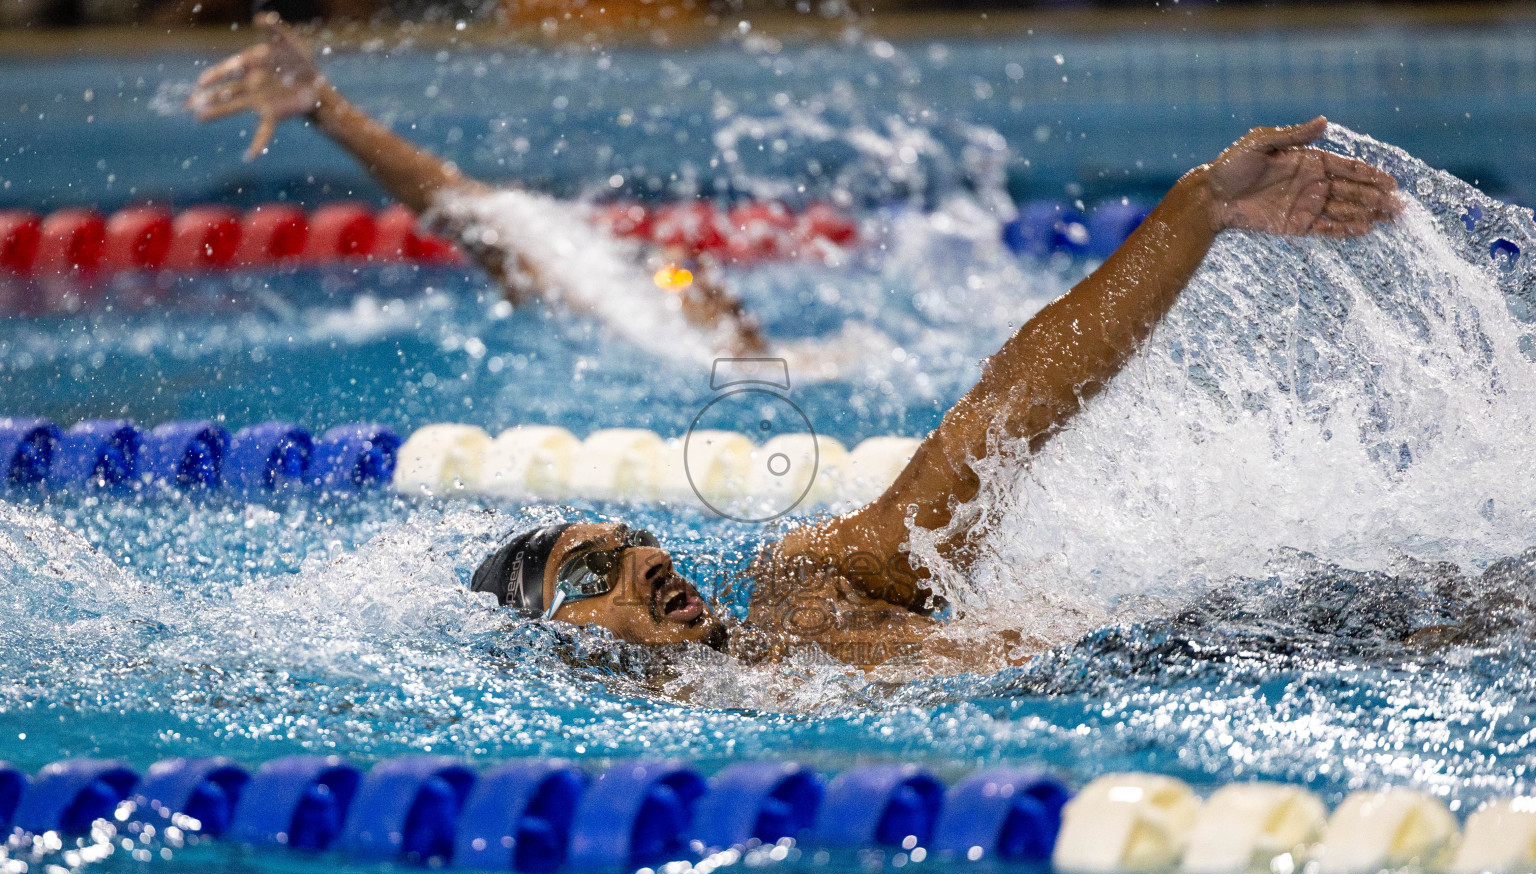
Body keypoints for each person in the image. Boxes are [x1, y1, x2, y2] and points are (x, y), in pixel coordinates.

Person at [188, 23, 1401, 673]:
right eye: (591, 572)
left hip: (1256, 642)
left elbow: (1003, 418)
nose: (637, 558)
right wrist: (331, 112)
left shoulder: (808, 585)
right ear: (561, 644)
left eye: (618, 539)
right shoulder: (654, 341)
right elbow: (501, 234)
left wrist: (1193, 210)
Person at [188, 13, 768, 355]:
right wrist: (325, 107)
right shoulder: (613, 319)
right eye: (671, 270)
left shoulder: (721, 357)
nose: (682, 262)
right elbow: (477, 215)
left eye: (684, 274)